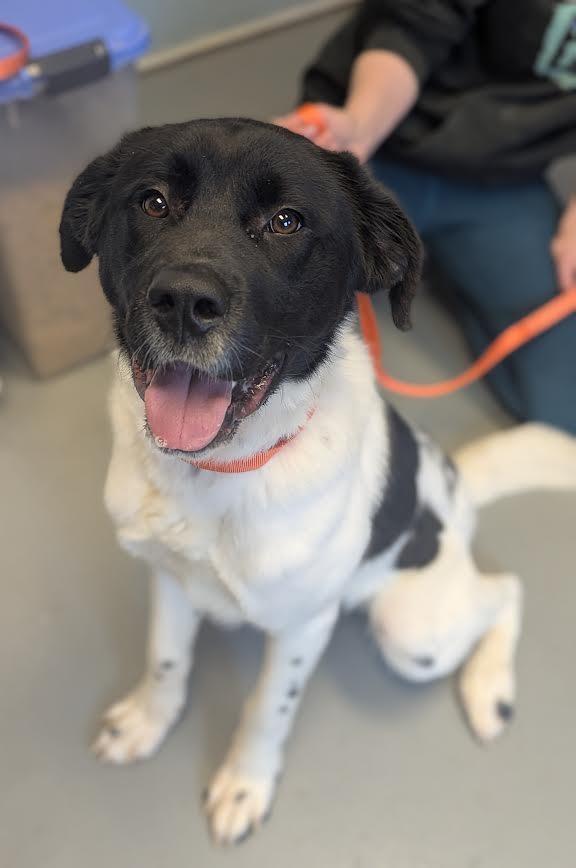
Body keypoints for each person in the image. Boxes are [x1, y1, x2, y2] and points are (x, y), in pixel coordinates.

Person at [276, 0, 576, 434]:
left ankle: (450, 268)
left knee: (565, 409)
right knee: (274, 369)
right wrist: (360, 126)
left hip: (502, 176)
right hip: (370, 148)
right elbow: (410, 29)